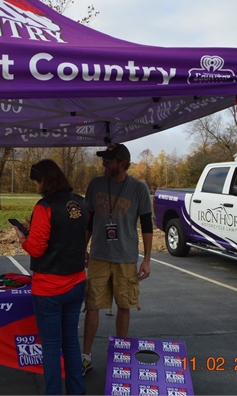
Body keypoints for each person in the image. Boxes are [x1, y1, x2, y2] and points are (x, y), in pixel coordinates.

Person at [13, 159, 87, 395]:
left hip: (49, 288)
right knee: (72, 342)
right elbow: (70, 235)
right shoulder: (81, 203)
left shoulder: (43, 206)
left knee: (52, 346)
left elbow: (37, 248)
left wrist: (23, 238)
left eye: (36, 182)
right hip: (76, 282)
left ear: (43, 180)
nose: (35, 187)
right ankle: (77, 391)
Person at [81, 143, 153, 376]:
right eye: (103, 160)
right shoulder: (95, 184)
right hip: (99, 256)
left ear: (122, 164)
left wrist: (147, 259)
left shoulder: (139, 189)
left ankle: (121, 355)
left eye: (108, 161)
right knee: (92, 305)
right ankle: (85, 357)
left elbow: (147, 226)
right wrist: (83, 245)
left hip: (125, 257)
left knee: (124, 305)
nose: (104, 164)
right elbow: (89, 220)